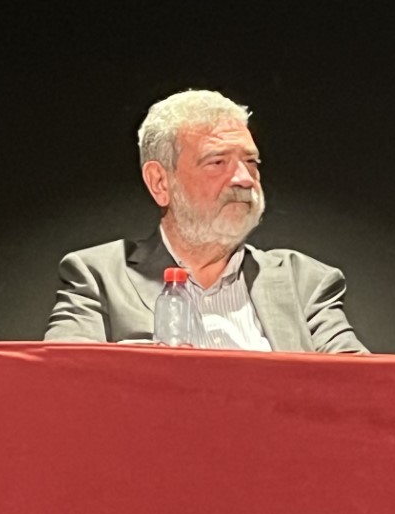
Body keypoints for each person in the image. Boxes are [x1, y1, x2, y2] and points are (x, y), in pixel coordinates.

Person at [45, 89, 367, 352]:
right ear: (160, 182)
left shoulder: (305, 283)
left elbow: (366, 390)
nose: (244, 179)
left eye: (251, 162)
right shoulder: (99, 277)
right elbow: (64, 384)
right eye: (217, 162)